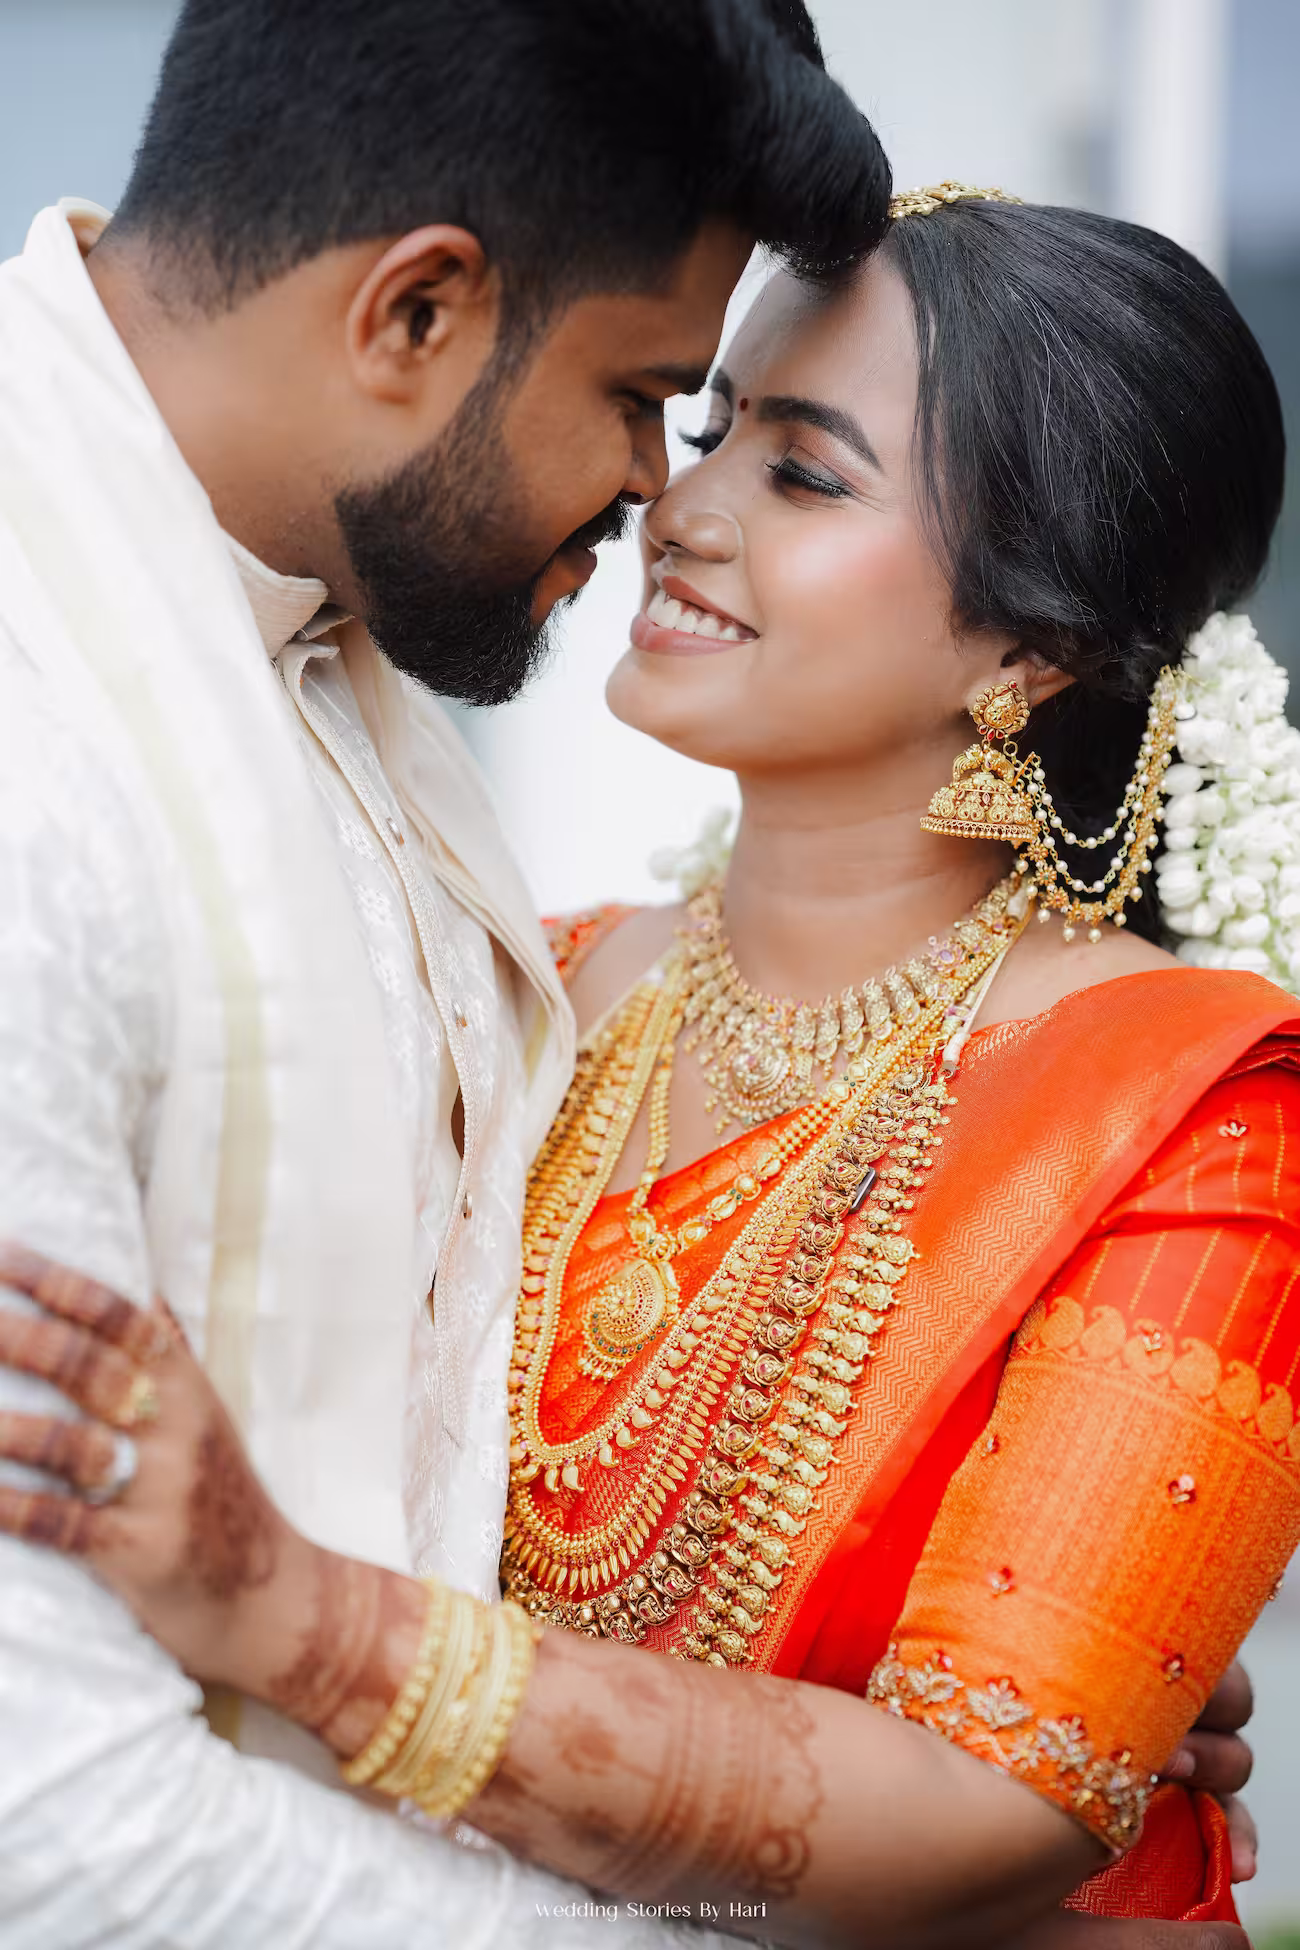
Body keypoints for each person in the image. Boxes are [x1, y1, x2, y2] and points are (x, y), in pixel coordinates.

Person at [0, 179, 1290, 1947]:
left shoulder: (1194, 1114)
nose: (677, 510)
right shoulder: (536, 975)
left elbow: (988, 1811)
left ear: (1030, 650)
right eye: (708, 428)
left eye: (805, 472)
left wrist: (298, 1616)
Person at [0, 1, 902, 1943]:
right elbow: (46, 1834)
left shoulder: (322, 644)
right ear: (414, 315)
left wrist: (963, 1719)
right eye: (647, 394)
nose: (663, 492)